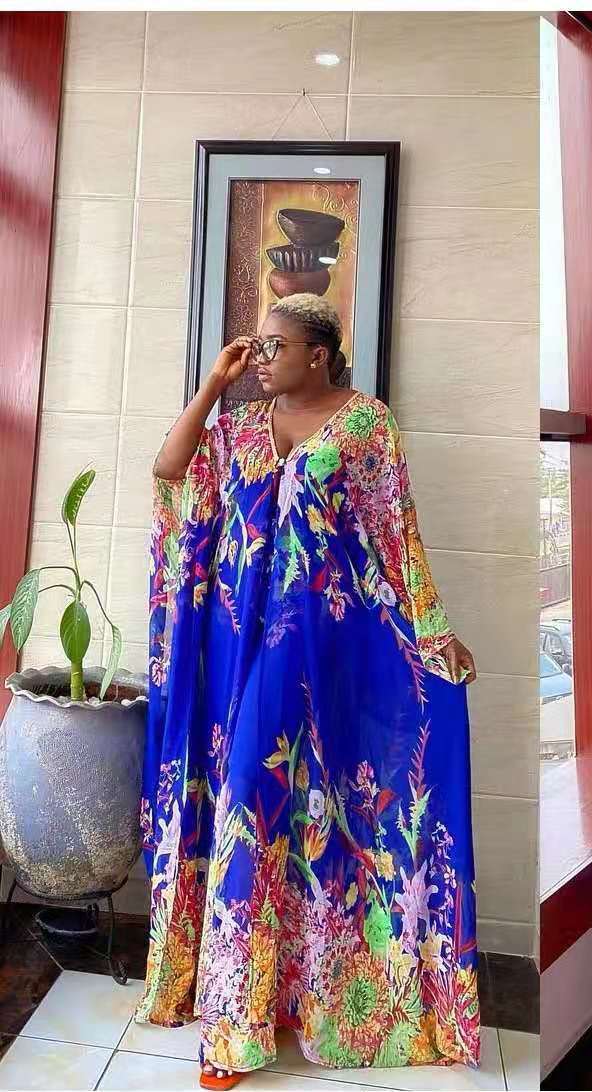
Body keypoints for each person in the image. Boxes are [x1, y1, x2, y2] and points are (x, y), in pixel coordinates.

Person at [136, 293, 480, 1089]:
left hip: (321, 642)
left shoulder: (366, 424)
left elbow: (398, 534)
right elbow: (168, 469)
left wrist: (433, 632)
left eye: (274, 346)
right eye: (255, 347)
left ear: (318, 352)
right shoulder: (241, 425)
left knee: (273, 802)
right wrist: (215, 386)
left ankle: (238, 1026)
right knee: (252, 802)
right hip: (234, 638)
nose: (260, 358)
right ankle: (261, 997)